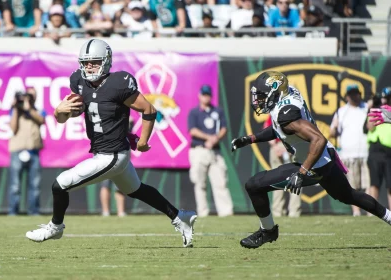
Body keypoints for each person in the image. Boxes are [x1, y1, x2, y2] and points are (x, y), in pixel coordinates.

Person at [25, 39, 197, 248]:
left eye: (94, 62)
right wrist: (58, 111)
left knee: (60, 184)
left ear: (106, 62)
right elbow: (64, 117)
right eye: (86, 62)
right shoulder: (79, 81)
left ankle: (55, 227)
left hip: (113, 154)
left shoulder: (118, 83)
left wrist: (143, 142)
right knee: (136, 190)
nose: (89, 67)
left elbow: (149, 110)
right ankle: (180, 217)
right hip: (104, 152)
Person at [231, 71, 391, 249]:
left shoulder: (286, 114)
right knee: (349, 196)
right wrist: (251, 138)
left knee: (253, 185)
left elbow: (318, 139)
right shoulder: (289, 93)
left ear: (275, 92)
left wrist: (302, 172)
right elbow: (281, 129)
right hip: (325, 160)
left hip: (312, 165)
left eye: (262, 96)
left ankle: (268, 231)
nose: (258, 101)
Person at [188, 85, 233, 217]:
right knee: (199, 183)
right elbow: (192, 130)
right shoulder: (194, 112)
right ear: (199, 95)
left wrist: (215, 139)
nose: (205, 97)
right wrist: (209, 137)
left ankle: (226, 212)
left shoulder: (218, 111)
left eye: (208, 95)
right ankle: (203, 212)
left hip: (215, 150)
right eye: (203, 94)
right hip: (199, 150)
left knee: (220, 182)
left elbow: (224, 128)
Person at [329, 85, 370, 216]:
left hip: (365, 152)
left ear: (360, 94)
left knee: (367, 183)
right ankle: (356, 211)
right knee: (353, 186)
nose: (354, 96)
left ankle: (370, 210)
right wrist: (334, 129)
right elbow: (332, 132)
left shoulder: (366, 108)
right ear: (347, 96)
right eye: (351, 94)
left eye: (356, 93)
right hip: (348, 154)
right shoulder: (341, 111)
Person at [8, 88, 46, 215]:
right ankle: (13, 211)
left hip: (33, 151)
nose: (29, 98)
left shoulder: (38, 110)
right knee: (15, 185)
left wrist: (28, 108)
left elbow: (41, 120)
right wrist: (15, 108)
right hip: (17, 150)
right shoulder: (16, 111)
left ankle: (34, 211)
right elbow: (13, 129)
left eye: (32, 96)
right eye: (28, 95)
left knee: (34, 185)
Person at [264, 115, 301, 217]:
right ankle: (278, 212)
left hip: (292, 146)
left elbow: (299, 133)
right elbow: (267, 127)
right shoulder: (276, 113)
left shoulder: (293, 112)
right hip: (280, 146)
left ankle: (292, 212)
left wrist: (286, 149)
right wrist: (275, 146)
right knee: (277, 179)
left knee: (295, 179)